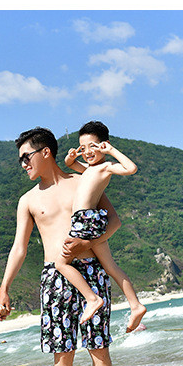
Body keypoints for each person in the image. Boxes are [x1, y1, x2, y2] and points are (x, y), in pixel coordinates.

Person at [0, 126, 122, 366]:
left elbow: (114, 221)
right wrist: (4, 288)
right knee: (62, 353)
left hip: (91, 270)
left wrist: (88, 243)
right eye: (20, 160)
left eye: (26, 157)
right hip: (54, 276)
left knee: (99, 348)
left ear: (45, 152)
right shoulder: (28, 200)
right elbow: (19, 248)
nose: (23, 164)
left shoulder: (83, 181)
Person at [59, 120, 147, 331]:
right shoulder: (88, 169)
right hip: (89, 220)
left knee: (61, 263)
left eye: (93, 146)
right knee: (110, 266)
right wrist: (72, 155)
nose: (88, 152)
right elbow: (69, 164)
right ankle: (135, 305)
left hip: (85, 220)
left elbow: (131, 168)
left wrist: (111, 151)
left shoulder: (105, 167)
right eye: (83, 148)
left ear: (104, 144)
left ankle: (92, 299)